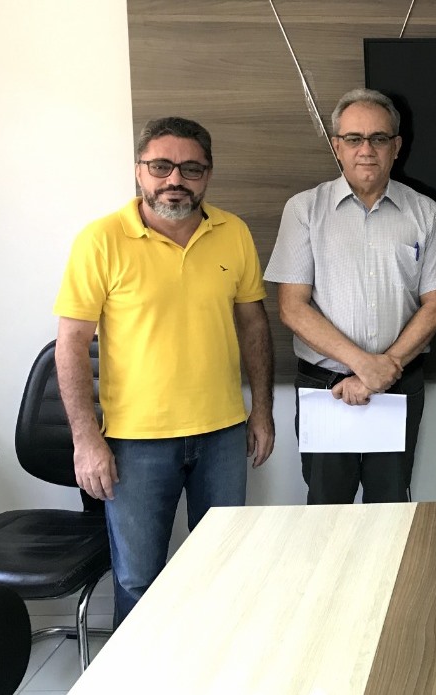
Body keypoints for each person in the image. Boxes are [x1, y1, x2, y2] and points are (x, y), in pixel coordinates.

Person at [55, 116, 275, 625]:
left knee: (224, 566)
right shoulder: (101, 240)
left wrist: (261, 412)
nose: (175, 179)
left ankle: (215, 660)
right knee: (139, 578)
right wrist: (86, 440)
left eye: (191, 168)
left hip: (222, 433)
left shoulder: (234, 232)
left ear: (208, 174)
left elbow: (254, 325)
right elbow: (71, 344)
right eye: (161, 166)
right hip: (135, 442)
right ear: (139, 170)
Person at [264, 88, 436, 504]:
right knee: (327, 508)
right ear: (338, 146)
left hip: (398, 384)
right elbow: (292, 308)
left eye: (379, 138)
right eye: (354, 139)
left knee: (390, 507)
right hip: (325, 388)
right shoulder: (304, 210)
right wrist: (364, 366)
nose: (366, 150)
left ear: (397, 146)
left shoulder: (425, 212)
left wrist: (383, 369)